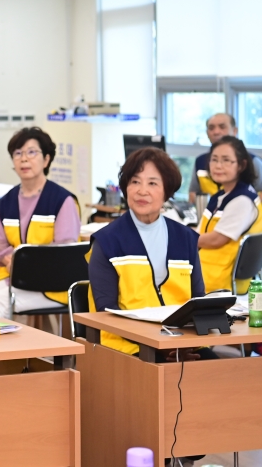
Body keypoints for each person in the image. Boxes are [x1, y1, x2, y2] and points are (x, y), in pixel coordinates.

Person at [0, 128, 80, 378]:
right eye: (18, 153)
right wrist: (13, 261)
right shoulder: (7, 201)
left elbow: (65, 252)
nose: (24, 159)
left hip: (50, 285)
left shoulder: (62, 200)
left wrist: (26, 264)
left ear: (46, 159)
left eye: (32, 152)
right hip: (13, 278)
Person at [89, 148, 213, 360]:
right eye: (135, 182)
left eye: (152, 183)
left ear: (167, 191)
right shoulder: (107, 241)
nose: (142, 191)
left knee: (222, 374)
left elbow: (197, 300)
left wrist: (185, 343)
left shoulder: (185, 238)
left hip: (181, 342)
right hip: (126, 346)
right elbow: (107, 311)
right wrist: (158, 346)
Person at [197, 136, 262, 294]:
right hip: (207, 269)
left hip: (217, 279)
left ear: (241, 165)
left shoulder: (242, 200)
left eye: (226, 160)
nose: (218, 166)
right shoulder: (220, 196)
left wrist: (180, 237)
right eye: (214, 159)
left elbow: (216, 240)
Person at [189, 113, 262, 203]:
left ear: (235, 131)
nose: (216, 132)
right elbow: (193, 194)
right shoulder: (200, 161)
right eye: (211, 128)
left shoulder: (253, 161)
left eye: (222, 127)